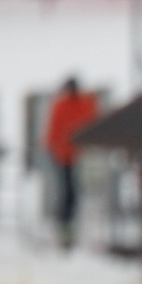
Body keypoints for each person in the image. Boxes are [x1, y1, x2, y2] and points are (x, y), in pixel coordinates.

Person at [42, 77, 98, 250]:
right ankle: (65, 226)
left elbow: (91, 123)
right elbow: (53, 130)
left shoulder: (76, 103)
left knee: (72, 192)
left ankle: (68, 226)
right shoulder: (67, 104)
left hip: (77, 155)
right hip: (67, 156)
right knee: (69, 193)